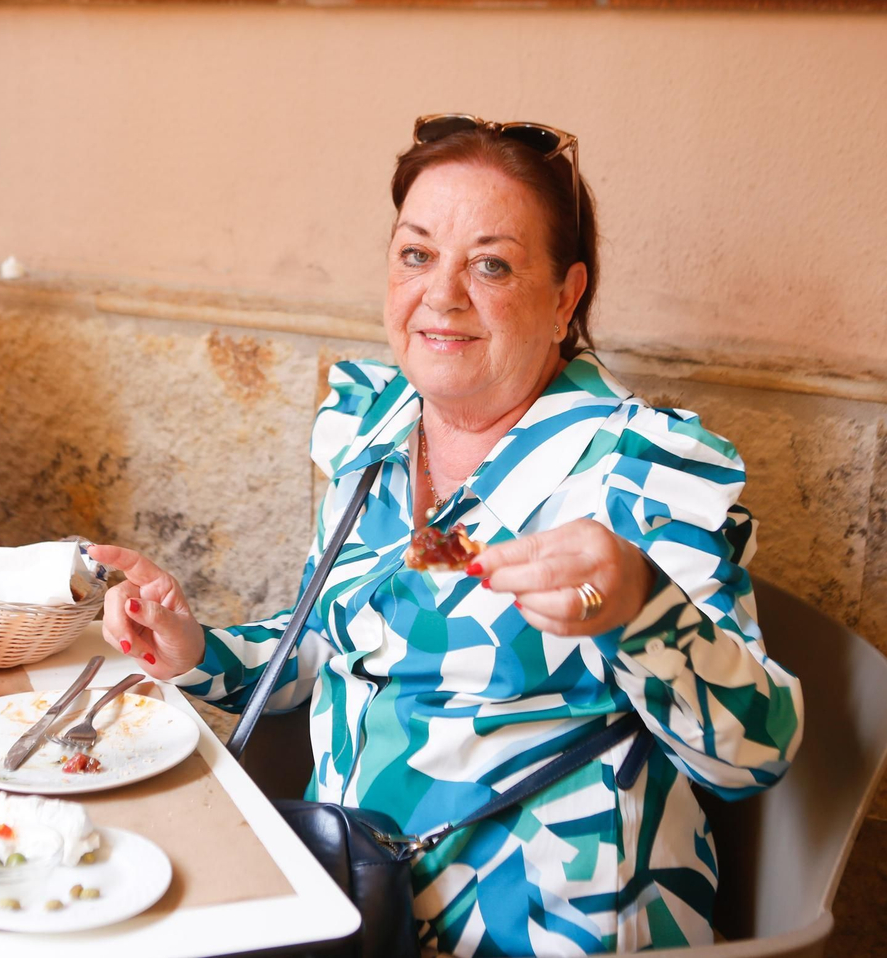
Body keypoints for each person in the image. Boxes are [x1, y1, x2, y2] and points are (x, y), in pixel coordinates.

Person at [89, 115, 804, 955]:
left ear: (565, 297)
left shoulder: (635, 471)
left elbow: (756, 751)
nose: (441, 294)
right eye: (416, 254)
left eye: (491, 264)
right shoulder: (378, 436)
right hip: (351, 900)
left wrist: (640, 609)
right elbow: (328, 644)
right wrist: (194, 647)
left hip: (553, 928)